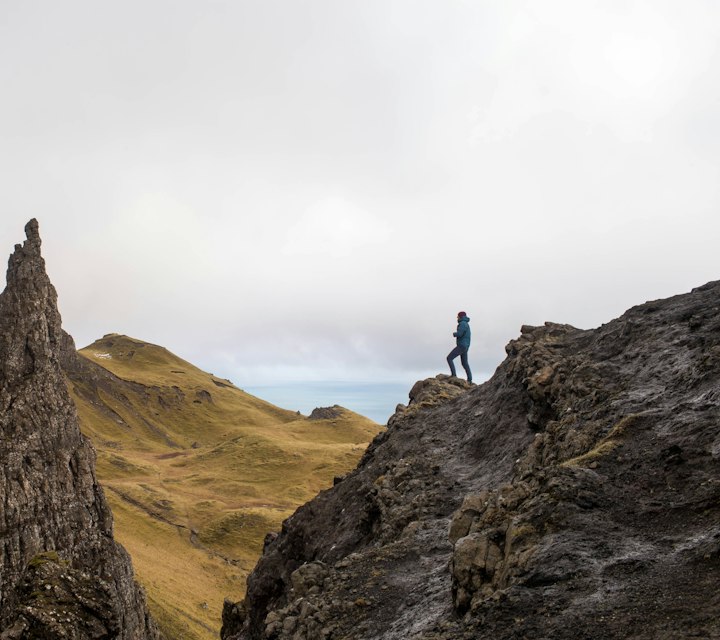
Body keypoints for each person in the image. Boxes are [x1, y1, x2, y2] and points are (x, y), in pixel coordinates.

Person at [447, 311, 472, 382]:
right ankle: (469, 380)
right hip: (466, 346)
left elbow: (460, 334)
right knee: (464, 363)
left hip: (462, 345)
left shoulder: (462, 323)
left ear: (460, 316)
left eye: (458, 316)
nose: (457, 317)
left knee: (449, 358)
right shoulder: (466, 324)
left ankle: (454, 375)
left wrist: (454, 334)